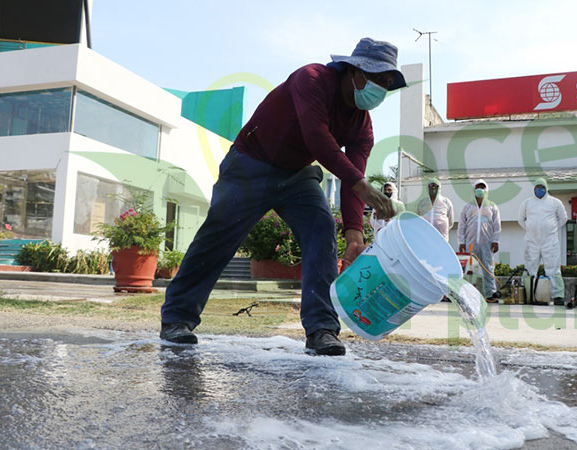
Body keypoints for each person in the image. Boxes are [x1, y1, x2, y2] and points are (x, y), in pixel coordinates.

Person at [159, 38, 406, 355]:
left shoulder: (363, 126)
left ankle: (322, 330)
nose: (380, 92)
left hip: (295, 174)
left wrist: (355, 234)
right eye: (378, 80)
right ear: (356, 72)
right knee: (218, 237)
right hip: (250, 164)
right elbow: (317, 139)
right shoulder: (312, 78)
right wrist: (365, 188)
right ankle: (177, 319)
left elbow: (351, 178)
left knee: (320, 226)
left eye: (387, 85)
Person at [518, 178, 568, 305]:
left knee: (553, 269)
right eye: (537, 187)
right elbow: (520, 219)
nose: (539, 189)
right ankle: (527, 295)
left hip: (550, 242)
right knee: (530, 268)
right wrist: (530, 230)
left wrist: (551, 229)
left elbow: (563, 218)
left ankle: (558, 296)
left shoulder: (555, 202)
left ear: (546, 188)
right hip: (532, 241)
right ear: (533, 188)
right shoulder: (527, 203)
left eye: (542, 187)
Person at [458, 179, 502, 301]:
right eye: (478, 187)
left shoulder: (492, 206)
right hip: (470, 244)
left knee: (488, 267)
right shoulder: (467, 207)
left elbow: (496, 225)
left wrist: (496, 241)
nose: (480, 190)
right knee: (470, 269)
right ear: (474, 189)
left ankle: (490, 293)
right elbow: (462, 226)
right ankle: (468, 294)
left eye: (482, 187)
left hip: (487, 243)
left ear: (486, 190)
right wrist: (461, 242)